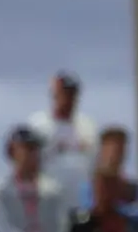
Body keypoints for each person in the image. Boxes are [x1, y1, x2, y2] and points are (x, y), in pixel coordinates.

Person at [23, 70, 94, 208]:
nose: (67, 99)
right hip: (47, 203)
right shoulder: (38, 125)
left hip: (79, 204)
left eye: (71, 94)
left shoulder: (87, 127)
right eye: (63, 93)